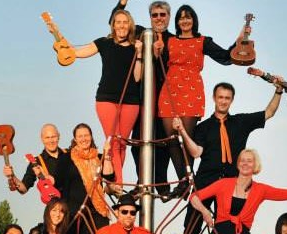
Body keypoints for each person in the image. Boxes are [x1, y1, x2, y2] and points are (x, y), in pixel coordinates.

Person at [173, 79, 287, 234]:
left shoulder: (240, 122)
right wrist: (182, 130)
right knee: (190, 226)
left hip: (232, 184)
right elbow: (196, 152)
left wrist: (278, 91)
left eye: (227, 98)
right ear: (214, 98)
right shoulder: (204, 127)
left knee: (228, 230)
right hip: (206, 180)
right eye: (220, 97)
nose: (223, 101)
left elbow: (268, 113)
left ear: (232, 100)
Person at [158, 5, 244, 200]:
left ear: (194, 20)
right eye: (181, 18)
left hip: (191, 91)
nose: (185, 21)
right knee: (172, 138)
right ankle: (185, 181)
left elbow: (225, 57)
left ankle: (187, 181)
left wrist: (240, 40)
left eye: (188, 17)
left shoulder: (203, 41)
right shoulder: (169, 41)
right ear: (177, 22)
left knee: (185, 137)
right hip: (169, 91)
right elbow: (158, 63)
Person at [65, 10, 144, 185]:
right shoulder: (104, 42)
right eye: (118, 22)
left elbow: (137, 77)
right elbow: (78, 52)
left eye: (125, 22)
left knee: (122, 143)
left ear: (130, 25)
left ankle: (112, 181)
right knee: (113, 140)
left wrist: (139, 54)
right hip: (106, 99)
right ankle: (118, 183)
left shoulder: (136, 47)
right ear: (113, 25)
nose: (122, 25)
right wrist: (61, 44)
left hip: (130, 100)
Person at [112, 0, 174, 195]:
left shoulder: (173, 40)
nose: (158, 18)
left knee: (163, 141)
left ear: (168, 17)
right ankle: (141, 181)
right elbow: (116, 20)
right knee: (137, 142)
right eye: (155, 15)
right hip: (140, 97)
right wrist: (122, 4)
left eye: (162, 15)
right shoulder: (140, 33)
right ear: (150, 17)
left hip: (163, 97)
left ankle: (161, 182)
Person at [65, 123, 114, 234]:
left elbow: (109, 176)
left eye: (86, 135)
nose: (84, 139)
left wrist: (107, 154)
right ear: (75, 139)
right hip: (77, 213)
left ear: (91, 137)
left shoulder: (99, 157)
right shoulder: (68, 158)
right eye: (80, 136)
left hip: (98, 210)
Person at [5, 124, 86, 217]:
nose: (51, 141)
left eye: (53, 137)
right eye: (47, 138)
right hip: (57, 213)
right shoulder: (36, 162)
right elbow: (23, 189)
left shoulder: (71, 154)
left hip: (79, 207)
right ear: (42, 139)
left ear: (58, 136)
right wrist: (13, 176)